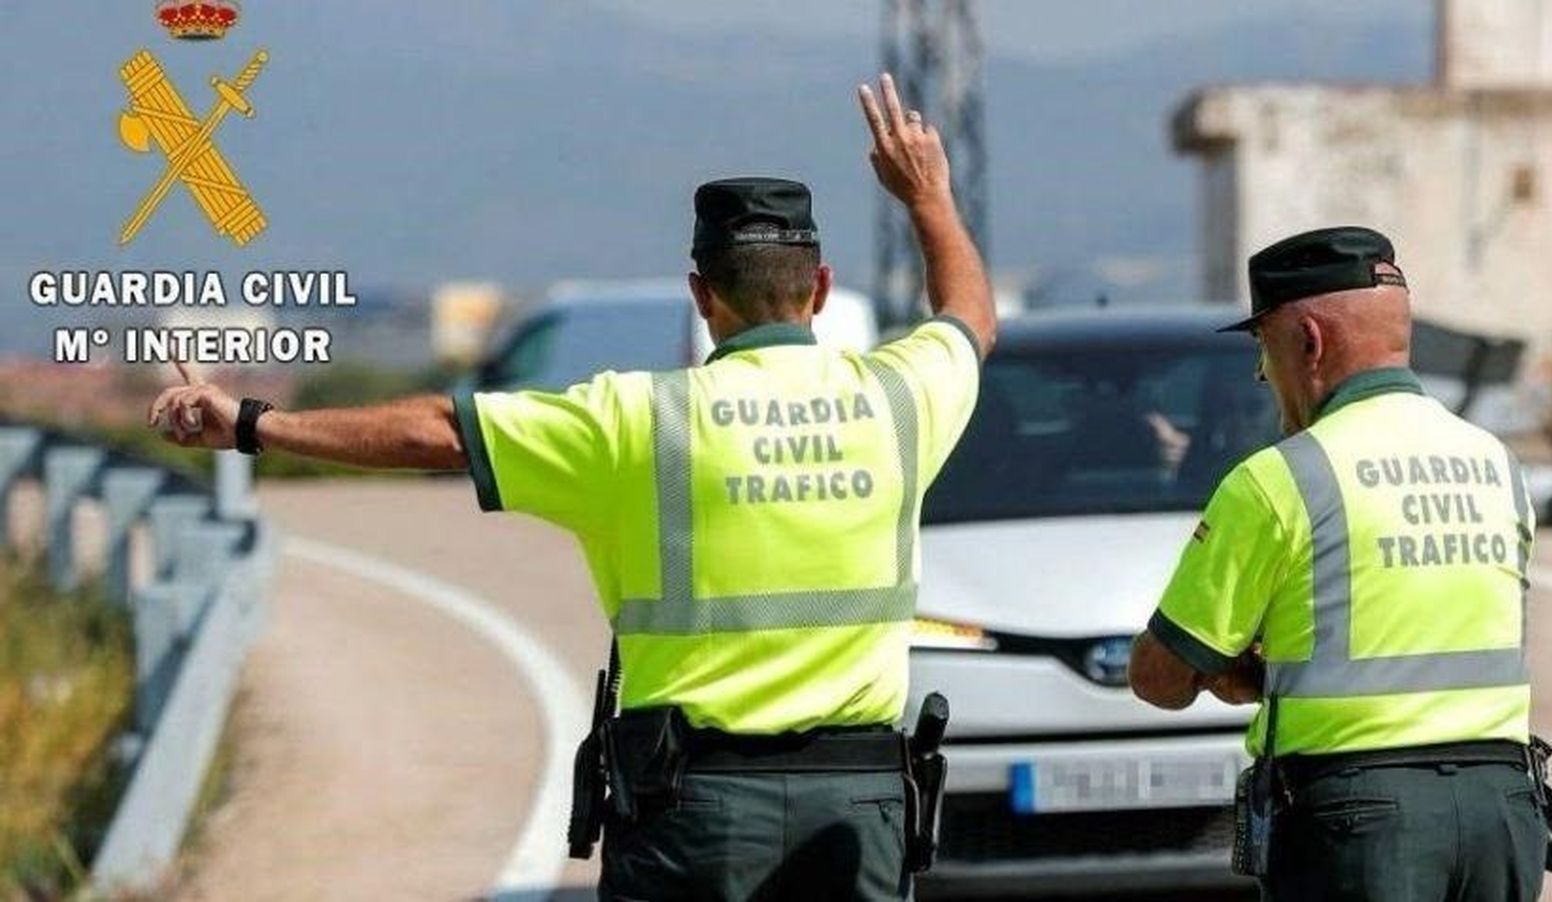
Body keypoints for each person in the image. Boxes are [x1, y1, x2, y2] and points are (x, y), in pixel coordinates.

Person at [147, 73, 996, 901]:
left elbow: (442, 432)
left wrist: (254, 424)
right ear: (820, 288)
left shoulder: (637, 419)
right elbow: (967, 318)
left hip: (695, 811)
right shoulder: (900, 398)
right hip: (856, 805)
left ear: (702, 295)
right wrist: (926, 196)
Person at [1126, 227, 1552, 901]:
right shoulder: (1495, 464)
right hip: (1501, 811)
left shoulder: (1280, 480)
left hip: (1360, 819)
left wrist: (1232, 673)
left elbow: (1161, 677)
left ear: (1308, 341)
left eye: (1262, 350)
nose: (1264, 375)